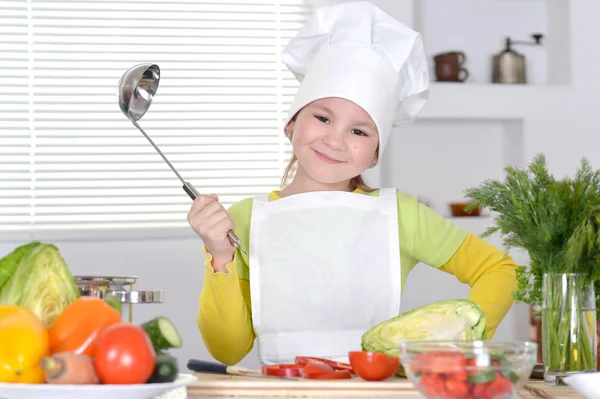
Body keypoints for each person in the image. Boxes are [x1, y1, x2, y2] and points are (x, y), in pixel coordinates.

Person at [188, 1, 518, 366]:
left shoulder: (401, 215)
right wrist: (220, 256)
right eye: (323, 117)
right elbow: (228, 349)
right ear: (292, 124)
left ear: (376, 153)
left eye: (359, 130)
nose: (335, 140)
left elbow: (498, 269)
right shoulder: (244, 220)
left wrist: (459, 344)